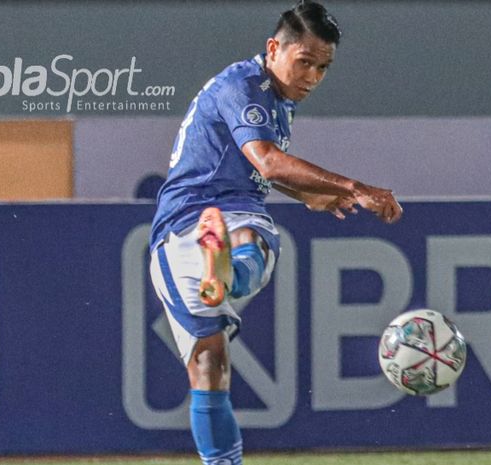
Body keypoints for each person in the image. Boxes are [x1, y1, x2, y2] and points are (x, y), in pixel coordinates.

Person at [148, 1, 402, 463]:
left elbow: (259, 169)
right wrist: (355, 187)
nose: (312, 77)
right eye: (304, 62)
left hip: (190, 227)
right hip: (195, 217)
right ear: (274, 48)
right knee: (257, 238)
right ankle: (226, 260)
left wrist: (306, 195)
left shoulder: (271, 97)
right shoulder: (246, 85)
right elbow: (265, 159)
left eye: (323, 68)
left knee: (210, 363)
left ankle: (220, 267)